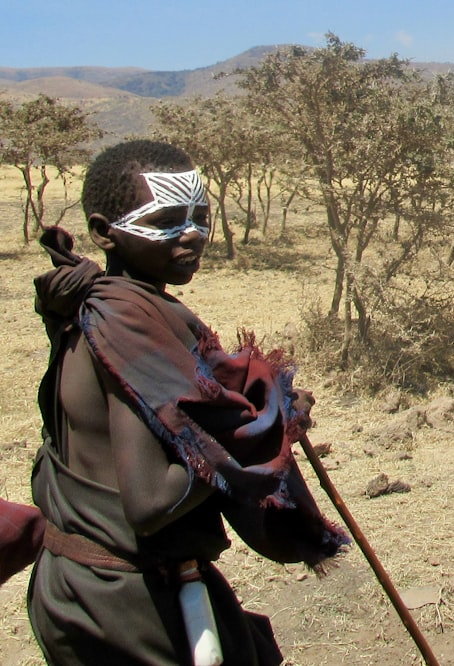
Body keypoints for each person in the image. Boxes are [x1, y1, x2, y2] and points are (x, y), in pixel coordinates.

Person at [30, 139, 349, 665]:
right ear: (103, 231)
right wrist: (269, 426)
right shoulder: (128, 323)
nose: (193, 235)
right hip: (128, 601)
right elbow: (151, 502)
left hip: (74, 586)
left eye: (200, 217)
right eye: (168, 220)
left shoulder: (93, 304)